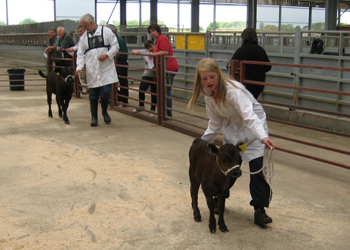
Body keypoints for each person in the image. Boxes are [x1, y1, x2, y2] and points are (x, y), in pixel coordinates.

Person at [188, 58, 276, 227]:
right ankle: (220, 197)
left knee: (257, 170)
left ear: (218, 75)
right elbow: (215, 123)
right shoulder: (209, 97)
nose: (209, 82)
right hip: (234, 135)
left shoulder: (234, 92)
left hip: (253, 133)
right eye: (204, 79)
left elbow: (250, 117)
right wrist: (203, 142)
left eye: (211, 77)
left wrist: (262, 136)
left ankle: (260, 210)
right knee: (227, 168)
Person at [75, 13, 119, 127]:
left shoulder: (106, 32)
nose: (84, 29)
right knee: (93, 94)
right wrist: (79, 67)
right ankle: (94, 117)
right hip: (92, 69)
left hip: (105, 68)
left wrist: (107, 55)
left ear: (91, 23)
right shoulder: (84, 37)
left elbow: (115, 46)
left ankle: (104, 111)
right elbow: (80, 54)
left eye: (85, 26)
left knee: (105, 92)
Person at [230, 27, 271, 99]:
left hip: (244, 85)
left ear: (243, 38)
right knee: (252, 102)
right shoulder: (260, 50)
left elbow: (232, 64)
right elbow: (268, 67)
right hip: (258, 85)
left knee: (245, 104)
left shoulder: (241, 50)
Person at [148, 24, 179, 117]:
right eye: (150, 32)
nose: (152, 33)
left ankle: (168, 114)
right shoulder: (158, 40)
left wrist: (154, 54)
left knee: (166, 91)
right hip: (164, 68)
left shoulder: (162, 39)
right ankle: (165, 113)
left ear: (158, 30)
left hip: (169, 67)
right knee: (164, 91)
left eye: (153, 31)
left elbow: (165, 51)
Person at [131, 40, 157, 118]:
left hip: (155, 75)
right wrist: (135, 52)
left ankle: (152, 110)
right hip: (147, 74)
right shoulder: (145, 52)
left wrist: (153, 54)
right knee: (141, 89)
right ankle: (141, 105)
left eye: (150, 47)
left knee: (154, 93)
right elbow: (134, 50)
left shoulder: (157, 52)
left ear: (154, 45)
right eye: (147, 48)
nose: (149, 49)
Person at [105, 24, 129, 107]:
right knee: (112, 80)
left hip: (120, 62)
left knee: (122, 81)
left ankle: (124, 99)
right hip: (113, 62)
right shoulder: (109, 40)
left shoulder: (120, 40)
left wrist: (111, 54)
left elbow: (123, 53)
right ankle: (116, 97)